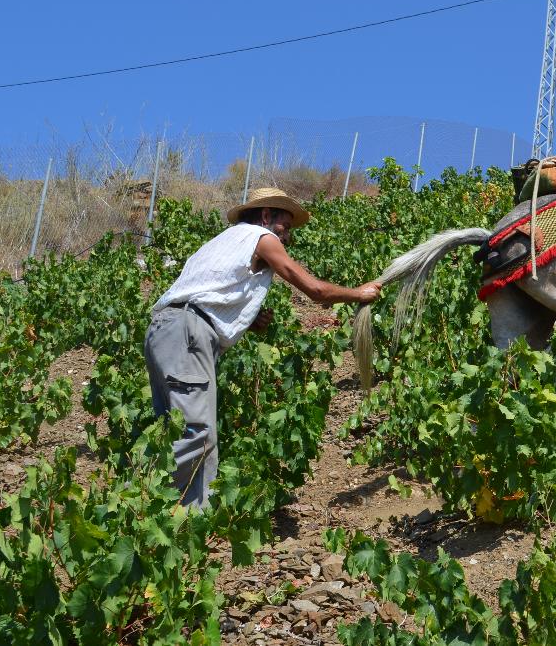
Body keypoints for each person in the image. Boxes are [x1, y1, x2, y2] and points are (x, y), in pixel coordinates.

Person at [144, 187, 380, 507]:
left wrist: (246, 320)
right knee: (197, 434)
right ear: (266, 215)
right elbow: (316, 291)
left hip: (164, 331)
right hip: (187, 334)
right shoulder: (261, 236)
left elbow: (208, 291)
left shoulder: (222, 242)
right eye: (285, 224)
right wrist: (359, 294)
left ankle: (151, 511)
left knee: (169, 431)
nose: (287, 235)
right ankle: (187, 525)